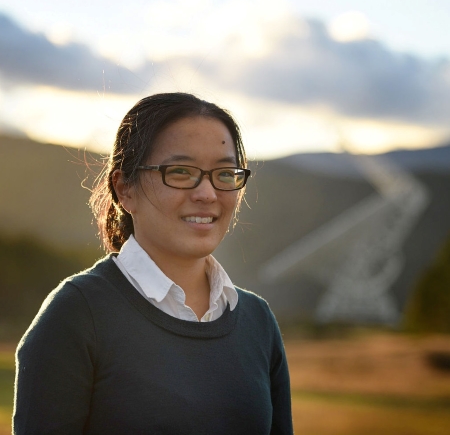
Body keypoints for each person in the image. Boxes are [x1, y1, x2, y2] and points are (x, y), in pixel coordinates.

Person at [13, 92, 293, 434]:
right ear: (124, 188)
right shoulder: (77, 315)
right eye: (180, 171)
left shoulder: (257, 321)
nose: (207, 193)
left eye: (224, 173)